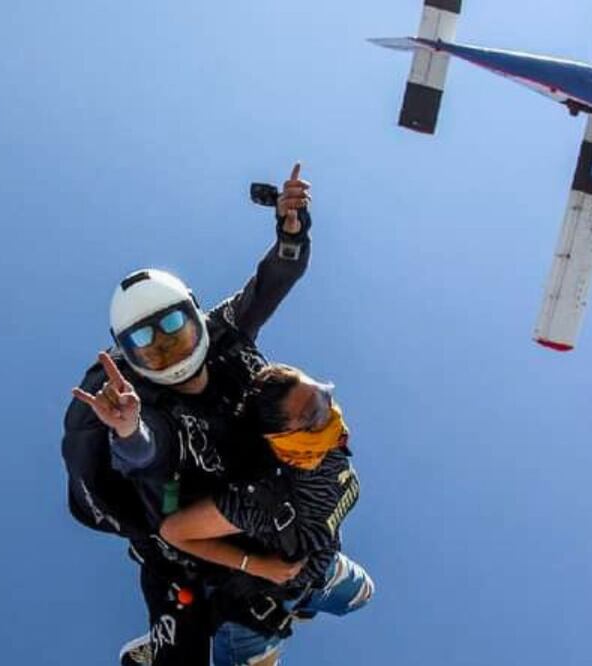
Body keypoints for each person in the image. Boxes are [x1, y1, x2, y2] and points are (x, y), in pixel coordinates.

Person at [61, 164, 315, 665]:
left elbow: (267, 288)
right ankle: (171, 648)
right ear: (131, 363)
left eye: (176, 332)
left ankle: (262, 610)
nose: (171, 355)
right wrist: (129, 432)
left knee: (328, 580)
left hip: (242, 505)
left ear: (199, 319)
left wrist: (292, 232)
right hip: (177, 551)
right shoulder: (146, 405)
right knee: (195, 624)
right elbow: (150, 451)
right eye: (151, 351)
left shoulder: (223, 333)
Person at [159, 364, 374, 666]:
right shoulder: (262, 502)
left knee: (363, 594)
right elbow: (174, 531)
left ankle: (304, 601)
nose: (332, 415)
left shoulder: (329, 446)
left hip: (317, 570)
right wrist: (257, 565)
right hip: (255, 613)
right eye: (315, 415)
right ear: (285, 440)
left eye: (325, 396)